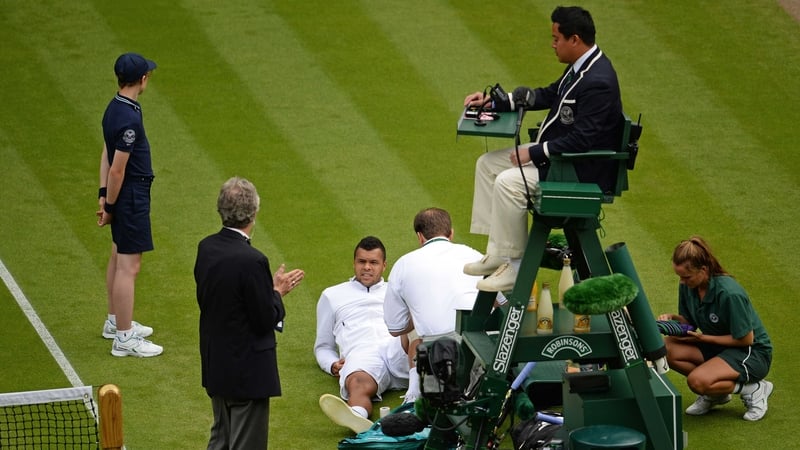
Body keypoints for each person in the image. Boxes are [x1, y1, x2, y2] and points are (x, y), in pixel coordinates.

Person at [462, 6, 624, 292]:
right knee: (487, 164)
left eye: (556, 38)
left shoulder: (599, 81)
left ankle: (513, 267)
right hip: (559, 160)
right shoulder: (581, 67)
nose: (552, 44)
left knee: (509, 182)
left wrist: (533, 153)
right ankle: (498, 253)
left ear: (574, 39)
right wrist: (496, 102)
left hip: (578, 172)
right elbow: (547, 95)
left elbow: (582, 141)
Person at [194, 177, 305, 449]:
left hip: (217, 364)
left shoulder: (206, 247)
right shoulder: (252, 260)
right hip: (246, 372)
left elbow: (227, 298)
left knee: (220, 440)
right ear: (254, 212)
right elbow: (264, 318)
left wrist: (264, 290)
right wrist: (277, 293)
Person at [383, 208, 506, 403]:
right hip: (483, 351)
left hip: (440, 357)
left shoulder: (402, 264)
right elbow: (504, 303)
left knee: (415, 325)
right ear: (451, 233)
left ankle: (414, 395)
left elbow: (395, 328)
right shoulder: (474, 254)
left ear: (420, 237)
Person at [658, 236, 773, 421]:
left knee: (697, 381)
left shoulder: (730, 294)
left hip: (751, 353)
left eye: (686, 276)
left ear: (703, 270)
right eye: (679, 276)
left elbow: (746, 339)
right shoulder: (688, 286)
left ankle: (755, 389)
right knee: (667, 348)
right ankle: (716, 394)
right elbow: (690, 324)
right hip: (720, 345)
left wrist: (705, 339)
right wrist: (672, 319)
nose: (682, 281)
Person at [97, 52, 163, 357]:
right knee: (129, 266)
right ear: (143, 79)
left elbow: (106, 154)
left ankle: (115, 321)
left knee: (116, 254)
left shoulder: (114, 109)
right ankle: (124, 338)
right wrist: (110, 206)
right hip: (130, 195)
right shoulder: (129, 118)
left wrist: (103, 195)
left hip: (121, 194)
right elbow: (117, 169)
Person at [315, 236, 409, 434]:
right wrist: (332, 364)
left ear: (384, 265)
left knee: (418, 330)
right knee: (357, 383)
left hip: (397, 348)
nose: (367, 267)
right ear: (354, 263)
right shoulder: (331, 295)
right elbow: (323, 346)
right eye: (362, 261)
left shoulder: (397, 290)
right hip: (362, 354)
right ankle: (357, 417)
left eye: (373, 262)